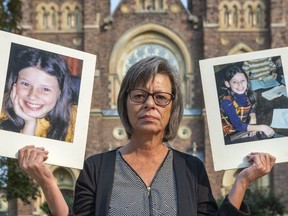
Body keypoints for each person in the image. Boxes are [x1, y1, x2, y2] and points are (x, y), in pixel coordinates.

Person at [18, 56, 276, 215]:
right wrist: (48, 183)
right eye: (139, 95)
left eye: (161, 97)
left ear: (172, 108)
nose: (150, 104)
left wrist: (242, 182)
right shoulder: (96, 168)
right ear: (125, 103)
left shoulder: (192, 170)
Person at [0, 45, 77, 142]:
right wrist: (29, 124)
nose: (32, 96)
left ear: (59, 93)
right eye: (25, 84)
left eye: (45, 89)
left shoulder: (75, 119)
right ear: (14, 83)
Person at [219, 65, 275, 143]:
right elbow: (238, 125)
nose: (240, 84)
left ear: (247, 80)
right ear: (228, 84)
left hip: (242, 127)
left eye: (243, 80)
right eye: (234, 82)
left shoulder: (247, 93)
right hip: (228, 134)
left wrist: (253, 119)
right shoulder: (226, 102)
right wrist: (263, 128)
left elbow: (252, 106)